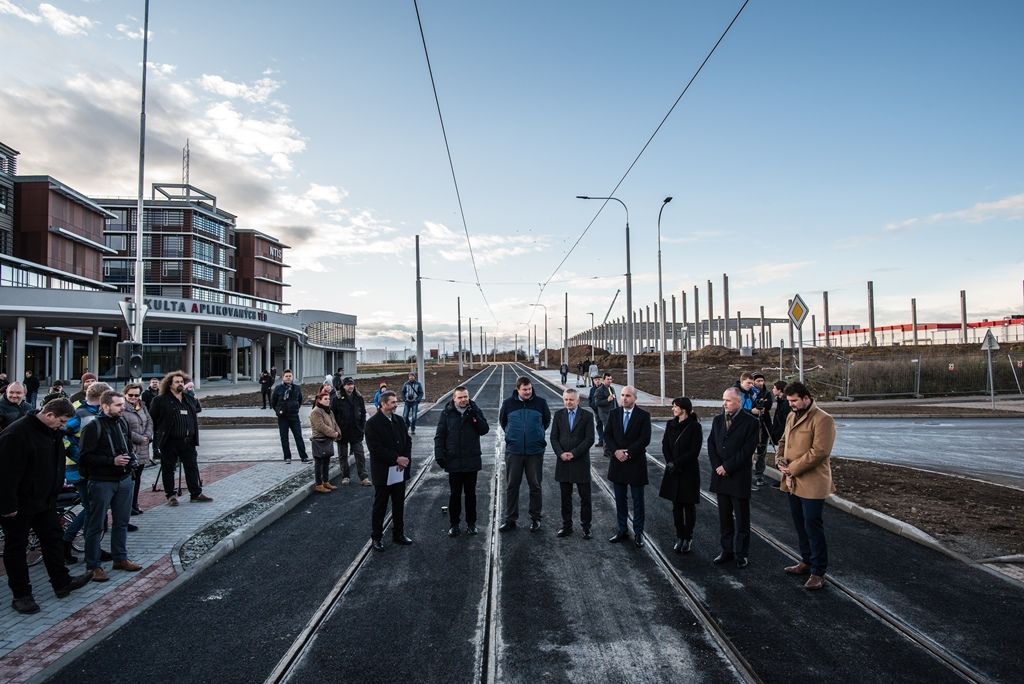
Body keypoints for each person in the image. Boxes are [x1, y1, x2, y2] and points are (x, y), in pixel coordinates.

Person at [0, 398, 92, 613]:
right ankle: (21, 594)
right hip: (19, 505)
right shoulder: (16, 434)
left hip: (46, 500)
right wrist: (7, 505)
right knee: (16, 548)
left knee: (53, 540)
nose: (62, 426)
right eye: (60, 421)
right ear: (49, 414)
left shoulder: (52, 432)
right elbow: (5, 474)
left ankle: (61, 582)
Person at [776, 382, 837, 591]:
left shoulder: (823, 419)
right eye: (789, 401)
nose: (791, 404)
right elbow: (783, 440)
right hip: (792, 480)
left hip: (812, 482)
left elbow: (819, 452)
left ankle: (818, 572)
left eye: (794, 400)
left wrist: (792, 468)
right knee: (800, 524)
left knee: (813, 525)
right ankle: (806, 561)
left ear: (806, 397)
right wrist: (779, 460)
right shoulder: (792, 415)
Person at [79, 390, 143, 581]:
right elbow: (85, 457)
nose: (122, 408)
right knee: (96, 525)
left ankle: (120, 558)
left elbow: (128, 446)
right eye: (118, 405)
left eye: (122, 405)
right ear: (105, 406)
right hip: (101, 482)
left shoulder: (122, 422)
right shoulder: (93, 427)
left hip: (124, 480)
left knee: (122, 522)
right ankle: (93, 565)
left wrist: (130, 458)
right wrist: (111, 461)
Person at [707, 387, 759, 568]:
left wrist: (727, 467)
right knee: (724, 517)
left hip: (738, 477)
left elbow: (747, 450)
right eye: (723, 400)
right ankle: (726, 550)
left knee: (742, 518)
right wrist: (717, 467)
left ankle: (741, 553)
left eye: (728, 400)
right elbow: (711, 444)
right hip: (721, 477)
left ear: (739, 402)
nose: (724, 403)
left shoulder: (751, 422)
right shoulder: (718, 420)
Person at [60, 381, 110, 563]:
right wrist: (80, 457)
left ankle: (93, 546)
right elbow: (64, 438)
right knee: (91, 509)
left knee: (96, 509)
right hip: (79, 469)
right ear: (101, 398)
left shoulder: (94, 413)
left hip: (90, 468)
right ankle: (66, 543)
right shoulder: (81, 413)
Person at [149, 371, 212, 505]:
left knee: (192, 467)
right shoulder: (160, 400)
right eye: (177, 382)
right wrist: (157, 435)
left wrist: (193, 395)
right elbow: (152, 419)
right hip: (169, 441)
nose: (180, 384)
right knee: (168, 468)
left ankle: (195, 493)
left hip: (188, 441)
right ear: (169, 384)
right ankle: (171, 495)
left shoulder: (188, 398)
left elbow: (197, 409)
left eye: (182, 382)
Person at [434, 385, 489, 537]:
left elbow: (484, 429)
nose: (464, 400)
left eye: (466, 397)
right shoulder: (446, 413)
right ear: (454, 398)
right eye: (460, 397)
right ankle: (454, 524)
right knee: (455, 495)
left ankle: (471, 524)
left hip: (471, 460)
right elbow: (440, 435)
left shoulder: (474, 410)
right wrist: (439, 455)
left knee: (471, 495)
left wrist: (474, 416)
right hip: (454, 461)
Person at [498, 377, 551, 532]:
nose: (528, 392)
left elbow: (546, 422)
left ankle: (535, 519)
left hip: (534, 452)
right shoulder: (508, 404)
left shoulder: (541, 403)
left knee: (535, 486)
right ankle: (510, 519)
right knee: (512, 486)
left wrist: (537, 435)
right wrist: (512, 438)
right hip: (514, 452)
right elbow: (503, 423)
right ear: (518, 389)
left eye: (529, 389)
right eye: (524, 389)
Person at [364, 391, 413, 551]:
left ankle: (398, 534)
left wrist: (404, 458)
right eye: (392, 402)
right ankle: (376, 537)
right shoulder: (372, 424)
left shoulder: (399, 420)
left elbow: (407, 441)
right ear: (383, 404)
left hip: (399, 470)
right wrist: (396, 458)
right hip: (383, 472)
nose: (395, 404)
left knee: (399, 504)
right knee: (381, 506)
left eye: (395, 402)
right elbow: (375, 449)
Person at [604, 386, 652, 548]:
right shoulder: (614, 414)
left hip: (635, 463)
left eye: (628, 396)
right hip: (617, 463)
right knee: (620, 500)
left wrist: (629, 453)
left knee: (638, 501)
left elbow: (645, 439)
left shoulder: (643, 416)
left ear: (635, 398)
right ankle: (622, 529)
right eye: (622, 395)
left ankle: (638, 533)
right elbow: (607, 435)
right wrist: (616, 451)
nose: (624, 398)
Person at [550, 388, 595, 539]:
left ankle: (586, 527)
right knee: (565, 498)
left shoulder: (587, 416)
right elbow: (553, 438)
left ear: (578, 401)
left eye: (571, 400)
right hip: (563, 462)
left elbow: (589, 439)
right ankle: (566, 526)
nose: (568, 402)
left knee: (585, 498)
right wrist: (560, 453)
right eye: (566, 399)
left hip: (580, 462)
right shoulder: (558, 415)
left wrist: (574, 453)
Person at [659, 397, 703, 553]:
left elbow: (694, 451)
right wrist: (670, 462)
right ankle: (679, 536)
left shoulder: (694, 427)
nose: (673, 409)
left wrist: (676, 463)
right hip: (673, 471)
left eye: (675, 406)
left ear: (683, 409)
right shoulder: (670, 425)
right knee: (676, 506)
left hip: (688, 472)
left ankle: (688, 537)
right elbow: (665, 445)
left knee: (688, 506)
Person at [121, 383, 154, 516]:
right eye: (131, 395)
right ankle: (127, 507)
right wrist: (141, 438)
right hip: (131, 448)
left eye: (136, 395)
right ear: (125, 394)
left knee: (138, 478)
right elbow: (124, 429)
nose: (134, 397)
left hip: (143, 448)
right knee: (130, 479)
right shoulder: (122, 408)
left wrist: (147, 436)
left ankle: (134, 504)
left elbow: (150, 422)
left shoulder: (143, 406)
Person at [331, 377, 370, 486]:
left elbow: (363, 413)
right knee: (343, 456)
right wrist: (335, 430)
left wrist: (362, 427)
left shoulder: (358, 397)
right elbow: (332, 415)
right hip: (342, 432)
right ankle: (345, 476)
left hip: (356, 431)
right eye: (348, 384)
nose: (351, 386)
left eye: (352, 384)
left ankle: (364, 477)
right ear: (343, 386)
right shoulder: (337, 398)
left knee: (360, 455)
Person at [271, 369, 308, 463]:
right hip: (283, 417)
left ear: (292, 377)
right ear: (283, 377)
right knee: (284, 438)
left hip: (294, 416)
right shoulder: (278, 388)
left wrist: (295, 408)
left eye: (290, 376)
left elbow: (300, 400)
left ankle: (304, 457)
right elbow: (273, 402)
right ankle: (287, 457)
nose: (288, 378)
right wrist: (278, 411)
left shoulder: (296, 388)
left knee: (298, 436)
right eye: (286, 376)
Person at [309, 390, 340, 493]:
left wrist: (338, 432)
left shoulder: (329, 411)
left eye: (329, 399)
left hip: (327, 440)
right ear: (319, 400)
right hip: (319, 440)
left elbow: (334, 423)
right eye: (325, 399)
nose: (328, 401)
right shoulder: (316, 411)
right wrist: (334, 433)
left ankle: (326, 481)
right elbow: (320, 426)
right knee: (319, 463)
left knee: (326, 462)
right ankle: (318, 484)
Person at [751, 372, 773, 488]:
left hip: (764, 425)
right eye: (758, 381)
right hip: (752, 425)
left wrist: (762, 407)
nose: (761, 383)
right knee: (749, 452)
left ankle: (759, 475)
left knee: (762, 453)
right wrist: (753, 410)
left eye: (762, 381)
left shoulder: (767, 393)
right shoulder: (749, 393)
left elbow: (768, 405)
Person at [593, 372, 616, 448]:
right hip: (604, 414)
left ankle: (611, 448)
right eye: (608, 379)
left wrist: (619, 410)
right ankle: (607, 449)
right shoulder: (599, 390)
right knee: (608, 431)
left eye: (610, 379)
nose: (609, 381)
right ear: (603, 380)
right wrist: (607, 400)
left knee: (613, 431)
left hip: (612, 413)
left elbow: (615, 401)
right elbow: (597, 403)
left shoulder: (612, 388)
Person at [770, 380, 791, 444]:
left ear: (779, 390)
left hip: (782, 435)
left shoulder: (785, 403)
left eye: (774, 388)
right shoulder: (780, 401)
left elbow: (783, 421)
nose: (772, 390)